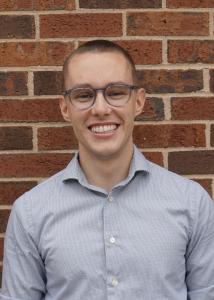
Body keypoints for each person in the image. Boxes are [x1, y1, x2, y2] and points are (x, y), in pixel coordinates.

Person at [0, 40, 214, 300]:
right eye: (83, 95)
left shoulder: (192, 203)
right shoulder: (31, 213)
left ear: (138, 102)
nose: (100, 109)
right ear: (65, 108)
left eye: (116, 92)